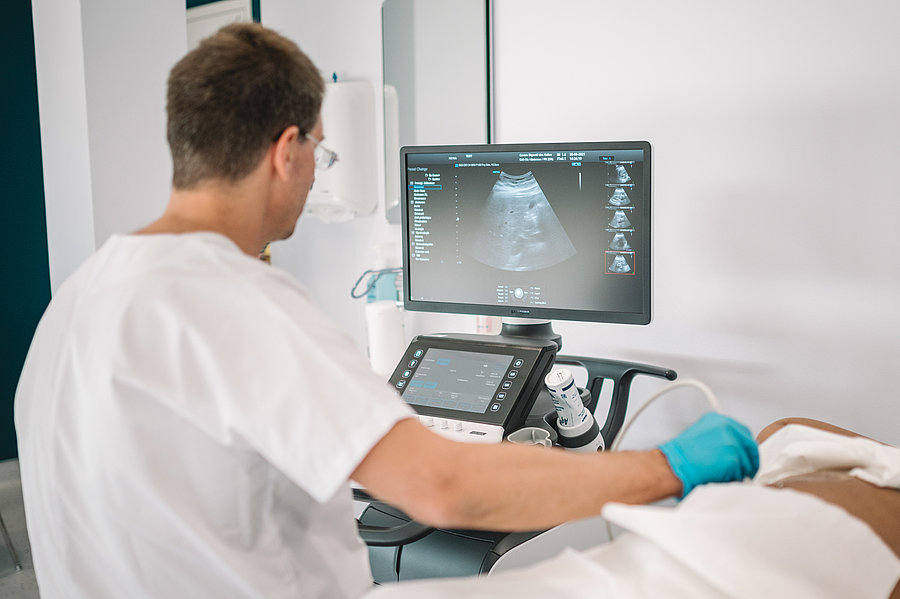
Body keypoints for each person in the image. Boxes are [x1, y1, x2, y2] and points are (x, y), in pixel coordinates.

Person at [14, 23, 758, 599]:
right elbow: (443, 485)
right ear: (285, 150)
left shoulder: (74, 304)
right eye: (320, 153)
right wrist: (666, 467)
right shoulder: (237, 303)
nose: (315, 175)